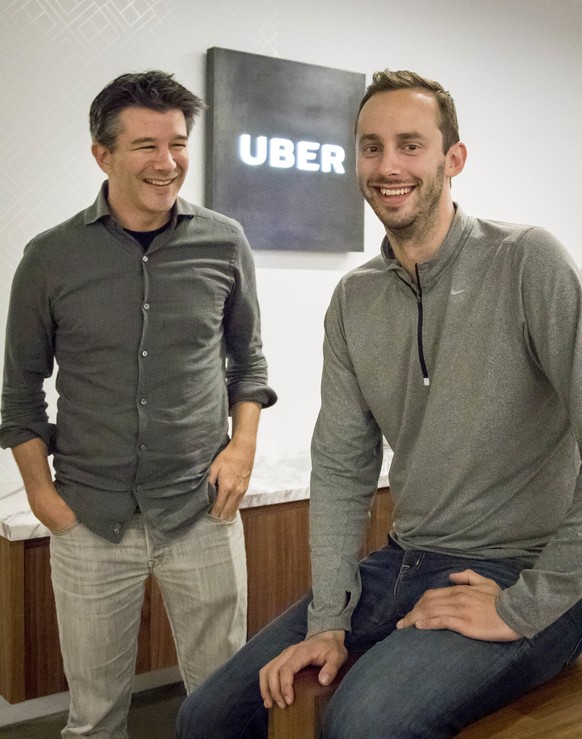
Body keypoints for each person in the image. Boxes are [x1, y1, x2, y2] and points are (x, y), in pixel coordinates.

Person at [176, 69, 582, 738]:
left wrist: (526, 604)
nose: (388, 165)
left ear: (454, 159)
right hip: (401, 563)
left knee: (360, 724)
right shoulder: (354, 299)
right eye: (371, 147)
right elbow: (340, 467)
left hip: (520, 570)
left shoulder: (526, 261)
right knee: (208, 714)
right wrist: (329, 618)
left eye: (410, 144)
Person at [0, 70, 276, 737]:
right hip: (90, 518)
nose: (168, 161)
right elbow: (19, 390)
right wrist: (42, 494)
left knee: (222, 704)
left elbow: (249, 361)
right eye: (147, 145)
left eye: (178, 142)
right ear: (103, 154)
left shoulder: (224, 241)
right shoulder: (51, 257)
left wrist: (242, 448)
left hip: (202, 508)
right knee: (94, 716)